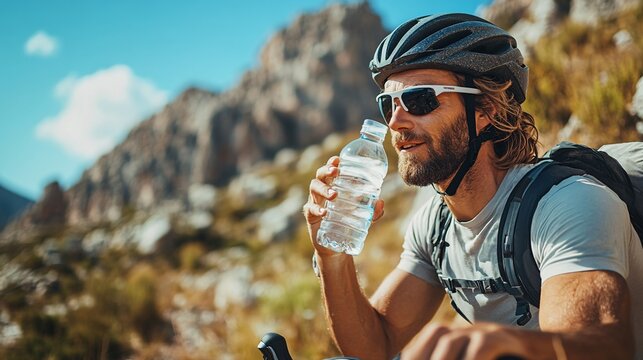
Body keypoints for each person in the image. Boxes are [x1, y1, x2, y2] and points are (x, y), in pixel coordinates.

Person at [302, 13, 643, 360]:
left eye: (420, 100)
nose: (396, 121)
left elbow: (606, 347)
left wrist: (508, 344)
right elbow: (375, 346)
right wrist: (331, 255)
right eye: (388, 104)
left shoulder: (568, 203)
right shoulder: (434, 226)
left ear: (486, 109)